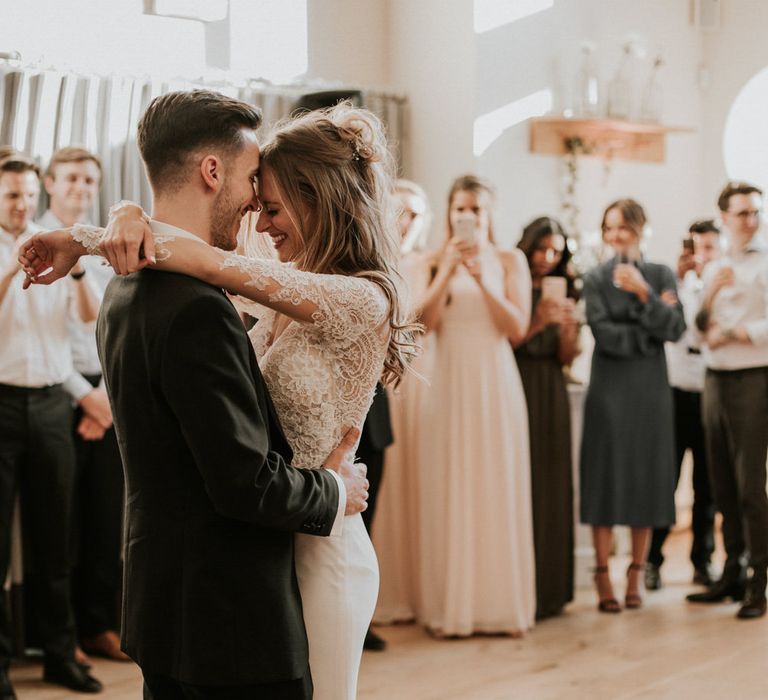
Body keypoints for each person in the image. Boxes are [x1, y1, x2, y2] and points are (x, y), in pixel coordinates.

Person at [20, 91, 415, 699]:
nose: (259, 216)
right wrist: (114, 224)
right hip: (271, 539)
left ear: (320, 202)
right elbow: (195, 255)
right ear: (212, 170)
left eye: (274, 205)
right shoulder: (268, 289)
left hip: (322, 548)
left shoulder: (361, 299)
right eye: (257, 191)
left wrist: (96, 230)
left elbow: (206, 261)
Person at [416, 174, 536, 636]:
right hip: (449, 379)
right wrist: (447, 271)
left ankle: (501, 605)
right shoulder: (433, 259)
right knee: (453, 481)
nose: (467, 217)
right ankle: (454, 607)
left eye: (476, 210)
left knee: (495, 480)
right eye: (460, 209)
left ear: (490, 214)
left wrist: (484, 281)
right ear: (449, 213)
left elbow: (517, 327)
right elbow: (425, 325)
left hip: (494, 378)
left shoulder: (510, 259)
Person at [0, 152, 102, 696]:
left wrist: (78, 264)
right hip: (0, 403)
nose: (21, 204)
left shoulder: (53, 242)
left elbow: (87, 317)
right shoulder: (14, 250)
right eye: (11, 194)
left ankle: (60, 655)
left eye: (26, 193)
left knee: (55, 537)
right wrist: (17, 263)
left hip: (49, 406)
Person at [37, 146, 128, 662]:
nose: (81, 188)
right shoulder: (39, 240)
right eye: (71, 178)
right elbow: (36, 340)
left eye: (90, 180)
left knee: (104, 517)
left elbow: (110, 330)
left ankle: (98, 624)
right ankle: (59, 635)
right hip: (63, 390)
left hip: (108, 392)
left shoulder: (102, 243)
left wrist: (108, 401)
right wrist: (86, 399)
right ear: (51, 183)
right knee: (61, 525)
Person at [580, 198, 685, 614]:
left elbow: (676, 328)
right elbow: (604, 334)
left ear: (640, 230)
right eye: (609, 228)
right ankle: (603, 573)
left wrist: (644, 294)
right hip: (608, 388)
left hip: (651, 391)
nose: (615, 236)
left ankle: (637, 572)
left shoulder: (660, 274)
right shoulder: (594, 278)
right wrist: (649, 329)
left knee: (646, 475)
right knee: (604, 475)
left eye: (623, 227)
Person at [687, 182, 768, 619]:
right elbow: (697, 329)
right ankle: (731, 571)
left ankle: (759, 582)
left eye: (756, 212)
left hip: (754, 378)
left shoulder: (766, 263)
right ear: (723, 218)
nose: (751, 221)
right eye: (742, 213)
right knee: (720, 482)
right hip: (714, 379)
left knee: (751, 485)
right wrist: (712, 292)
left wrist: (738, 333)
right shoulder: (714, 265)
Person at [645, 220, 720, 591]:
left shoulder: (722, 287)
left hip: (710, 388)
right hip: (674, 391)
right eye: (698, 249)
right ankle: (652, 560)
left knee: (707, 486)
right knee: (666, 480)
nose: (703, 257)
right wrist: (676, 277)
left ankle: (702, 563)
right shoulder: (674, 285)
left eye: (710, 249)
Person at [372, 178, 434, 626]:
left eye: (412, 213)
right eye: (397, 211)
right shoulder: (372, 261)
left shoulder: (430, 262)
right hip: (381, 383)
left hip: (421, 379)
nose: (405, 221)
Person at [515, 216, 579, 620]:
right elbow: (510, 340)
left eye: (555, 251)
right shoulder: (512, 279)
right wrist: (539, 318)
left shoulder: (568, 289)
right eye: (541, 249)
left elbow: (567, 356)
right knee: (522, 482)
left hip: (551, 389)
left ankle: (552, 590)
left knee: (553, 484)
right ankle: (521, 586)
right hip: (516, 383)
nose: (547, 258)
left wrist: (569, 326)